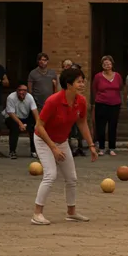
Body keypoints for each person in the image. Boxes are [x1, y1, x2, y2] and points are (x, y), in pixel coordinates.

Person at [30, 67, 98, 225]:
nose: (82, 85)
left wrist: (91, 145)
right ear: (68, 84)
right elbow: (39, 126)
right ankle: (37, 213)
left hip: (62, 141)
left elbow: (82, 123)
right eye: (78, 82)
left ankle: (71, 212)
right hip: (43, 140)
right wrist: (53, 148)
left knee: (72, 178)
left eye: (83, 81)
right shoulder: (53, 101)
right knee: (50, 175)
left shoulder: (80, 101)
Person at [92, 55, 122, 156]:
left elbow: (120, 87)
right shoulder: (98, 76)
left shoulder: (117, 76)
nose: (107, 65)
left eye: (109, 63)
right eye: (105, 64)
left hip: (115, 104)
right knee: (101, 126)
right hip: (101, 104)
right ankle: (101, 147)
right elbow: (94, 89)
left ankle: (112, 148)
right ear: (102, 65)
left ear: (112, 64)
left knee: (113, 126)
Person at [4, 84, 39, 159]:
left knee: (34, 128)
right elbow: (11, 113)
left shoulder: (29, 97)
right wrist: (20, 124)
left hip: (25, 117)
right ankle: (12, 151)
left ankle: (33, 151)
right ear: (16, 91)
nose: (22, 92)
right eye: (20, 90)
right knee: (14, 128)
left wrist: (38, 123)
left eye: (24, 91)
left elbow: (34, 110)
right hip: (12, 117)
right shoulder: (11, 97)